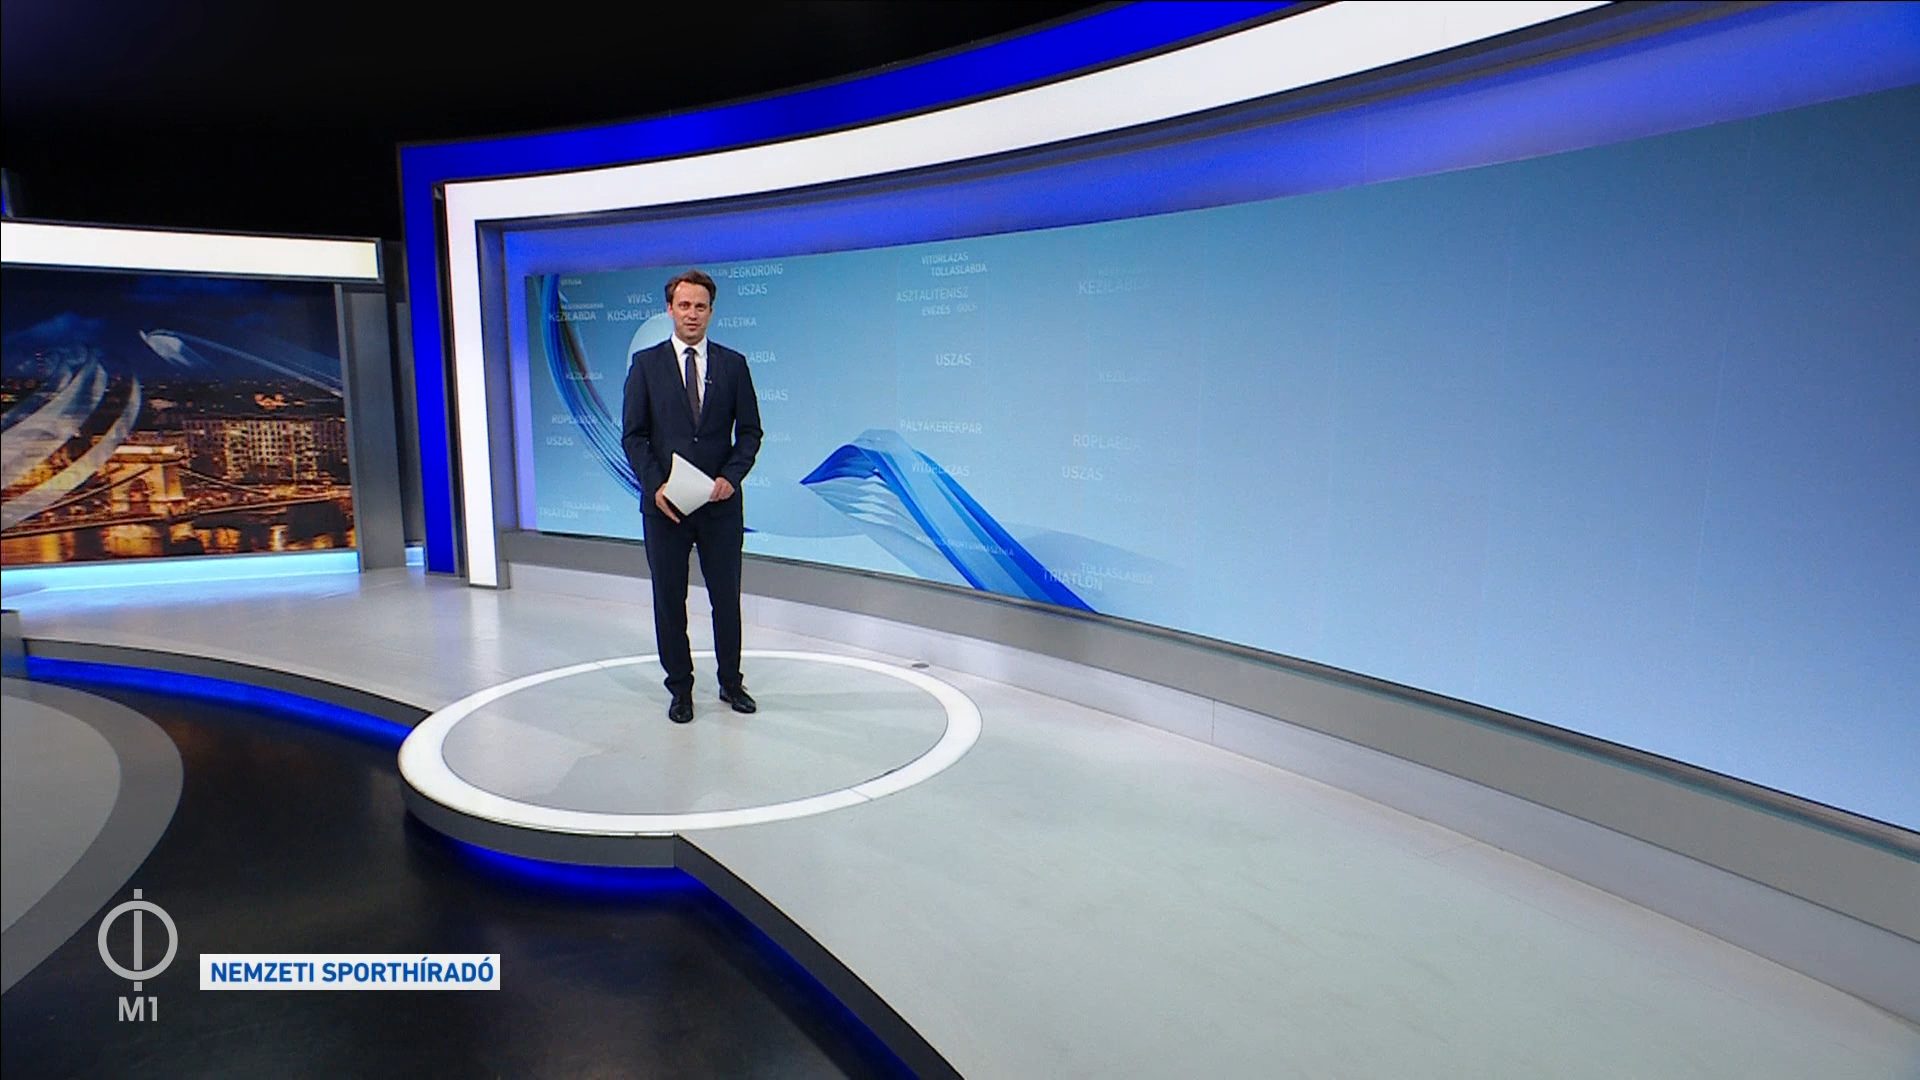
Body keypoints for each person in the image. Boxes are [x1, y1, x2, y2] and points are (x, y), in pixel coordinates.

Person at [620, 269, 763, 723]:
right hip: (666, 509)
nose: (692, 314)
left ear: (711, 312)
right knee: (669, 601)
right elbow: (634, 436)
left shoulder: (733, 365)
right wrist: (656, 486)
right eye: (684, 305)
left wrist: (731, 477)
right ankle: (680, 689)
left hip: (720, 507)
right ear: (670, 309)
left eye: (700, 306)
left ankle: (731, 683)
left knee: (726, 599)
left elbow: (750, 433)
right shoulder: (645, 365)